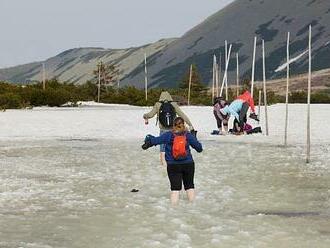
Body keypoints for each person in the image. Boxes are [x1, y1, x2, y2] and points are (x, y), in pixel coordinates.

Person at [142, 117, 203, 205]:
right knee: (190, 186)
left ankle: (174, 209)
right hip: (188, 164)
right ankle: (193, 207)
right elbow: (199, 148)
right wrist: (193, 138)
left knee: (175, 189)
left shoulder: (168, 135)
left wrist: (148, 142)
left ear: (173, 125)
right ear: (184, 124)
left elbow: (155, 141)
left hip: (173, 165)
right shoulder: (187, 135)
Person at [143, 91, 195, 166]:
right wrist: (190, 124)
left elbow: (150, 114)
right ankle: (173, 163)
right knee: (173, 146)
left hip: (163, 130)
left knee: (163, 148)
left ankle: (164, 164)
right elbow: (182, 115)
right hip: (173, 130)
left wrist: (145, 116)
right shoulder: (173, 104)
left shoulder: (158, 104)